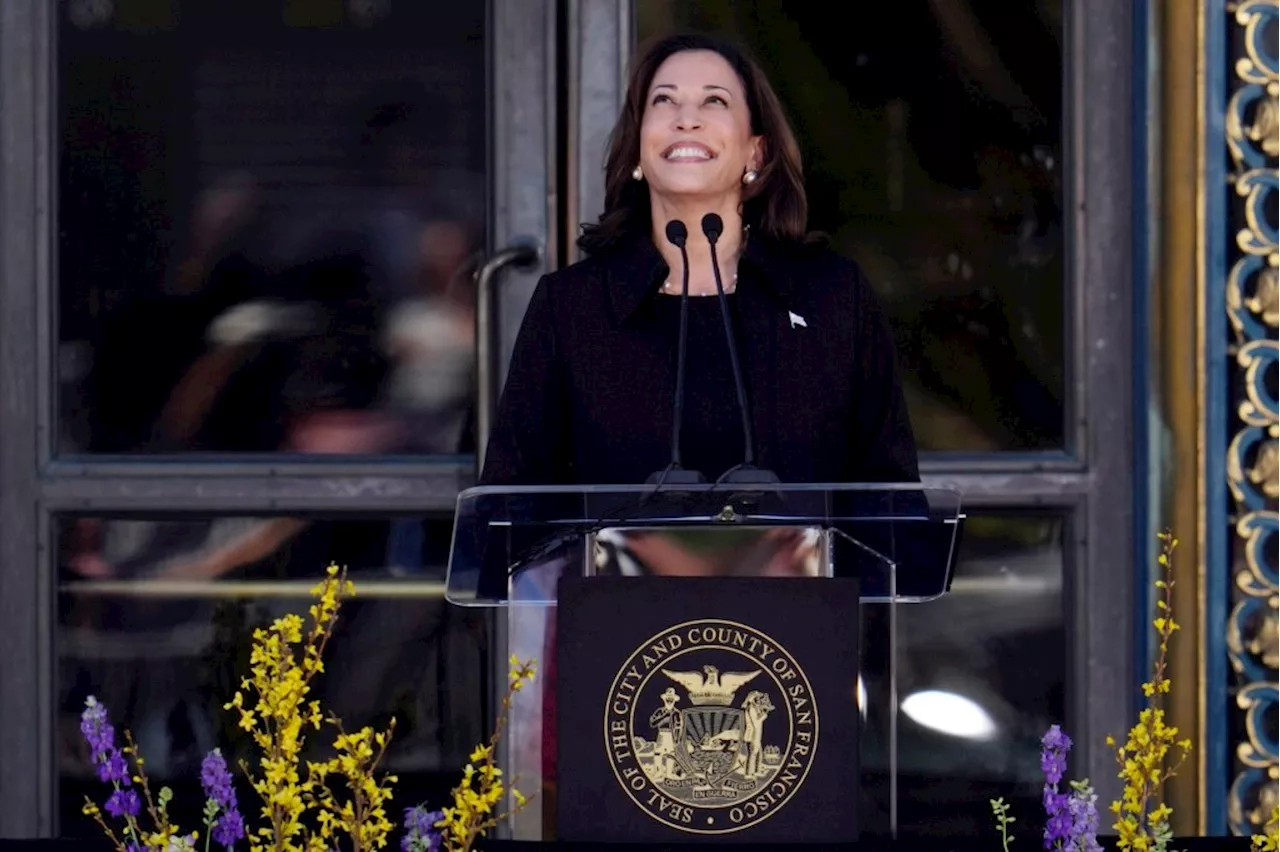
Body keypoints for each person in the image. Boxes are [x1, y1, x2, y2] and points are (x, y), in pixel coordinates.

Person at [480, 32, 918, 489]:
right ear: (636, 150)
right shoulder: (570, 306)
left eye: (714, 101)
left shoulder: (832, 295)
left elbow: (889, 495)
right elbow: (515, 504)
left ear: (756, 150)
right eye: (664, 101)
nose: (686, 119)